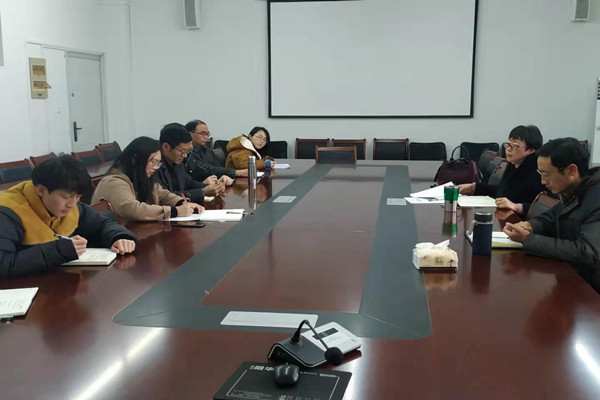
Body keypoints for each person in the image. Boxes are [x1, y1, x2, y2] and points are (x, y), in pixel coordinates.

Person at [0, 155, 137, 278]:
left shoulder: (69, 205)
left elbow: (101, 224)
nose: (72, 204)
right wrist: (59, 250)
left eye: (78, 196)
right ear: (41, 190)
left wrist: (119, 237)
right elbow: (3, 264)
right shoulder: (7, 212)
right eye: (65, 197)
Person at [503, 138, 600, 293]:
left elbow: (587, 252)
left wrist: (528, 239)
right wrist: (529, 225)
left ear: (571, 171)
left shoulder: (595, 196)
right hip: (571, 278)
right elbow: (550, 218)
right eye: (540, 173)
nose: (542, 181)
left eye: (546, 174)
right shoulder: (574, 190)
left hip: (590, 292)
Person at [92, 136, 204, 222]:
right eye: (153, 162)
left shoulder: (142, 177)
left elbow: (163, 194)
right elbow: (134, 210)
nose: (155, 167)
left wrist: (181, 203)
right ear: (135, 159)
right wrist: (175, 211)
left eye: (158, 163)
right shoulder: (114, 181)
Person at [459, 125, 547, 216]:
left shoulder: (538, 172)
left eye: (515, 146)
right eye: (508, 144)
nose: (508, 149)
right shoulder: (513, 164)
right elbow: (504, 191)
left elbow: (544, 207)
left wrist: (517, 206)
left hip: (521, 220)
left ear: (531, 150)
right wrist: (474, 187)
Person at [155, 123, 225, 203]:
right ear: (166, 147)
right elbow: (166, 197)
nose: (185, 156)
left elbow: (189, 183)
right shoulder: (154, 165)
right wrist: (202, 192)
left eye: (188, 152)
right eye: (182, 151)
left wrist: (214, 187)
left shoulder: (177, 161)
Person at [184, 119, 248, 184]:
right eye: (202, 133)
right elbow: (206, 169)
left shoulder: (206, 150)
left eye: (207, 134)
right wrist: (236, 172)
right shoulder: (186, 153)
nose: (206, 137)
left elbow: (217, 167)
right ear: (190, 134)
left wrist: (224, 176)